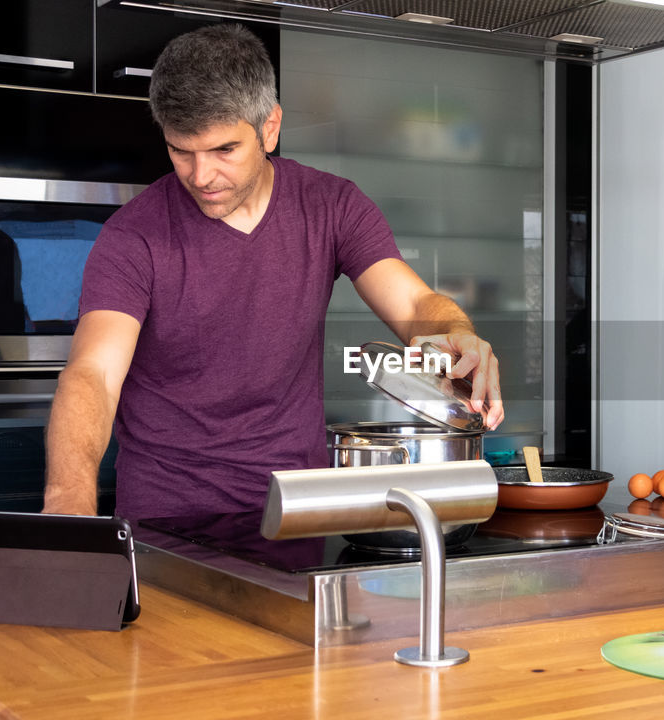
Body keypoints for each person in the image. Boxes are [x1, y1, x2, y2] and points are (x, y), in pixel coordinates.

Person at [42, 24, 503, 521]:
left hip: (295, 511)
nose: (201, 177)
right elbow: (93, 375)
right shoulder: (133, 235)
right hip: (168, 520)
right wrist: (67, 505)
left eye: (224, 150)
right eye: (180, 151)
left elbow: (414, 305)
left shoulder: (332, 206)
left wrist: (455, 332)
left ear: (270, 127)